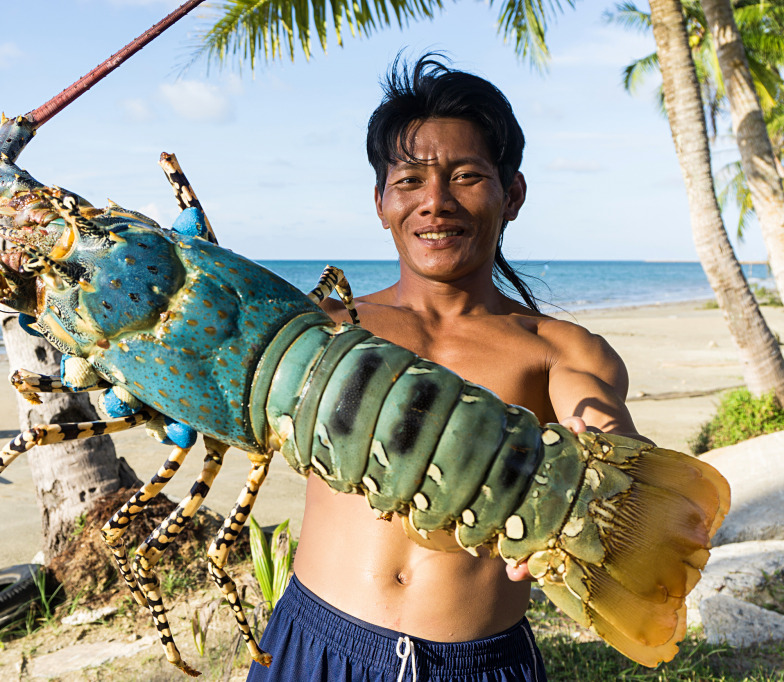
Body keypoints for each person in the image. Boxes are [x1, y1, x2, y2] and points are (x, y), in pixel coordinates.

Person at [247, 53, 649, 681]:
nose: (435, 202)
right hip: (317, 642)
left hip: (479, 662)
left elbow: (603, 430)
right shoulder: (319, 327)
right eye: (409, 181)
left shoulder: (556, 350)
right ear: (381, 202)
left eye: (465, 176)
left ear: (511, 193)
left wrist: (599, 466)